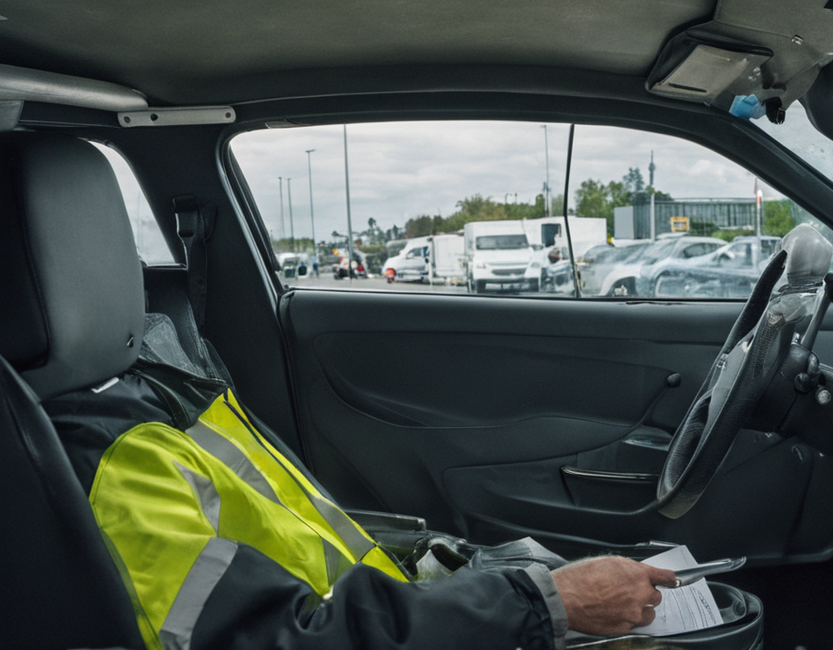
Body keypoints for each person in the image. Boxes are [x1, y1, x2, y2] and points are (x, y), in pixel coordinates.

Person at [2, 132, 678, 650]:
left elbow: (310, 547)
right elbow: (272, 638)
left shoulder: (155, 382)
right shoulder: (99, 463)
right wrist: (541, 604)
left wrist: (483, 575)